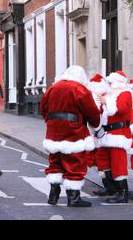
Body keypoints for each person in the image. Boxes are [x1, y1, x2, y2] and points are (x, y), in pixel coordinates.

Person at [40, 66, 101, 208]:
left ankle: (53, 194)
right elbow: (91, 111)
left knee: (55, 161)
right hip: (74, 131)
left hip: (54, 130)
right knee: (75, 162)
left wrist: (51, 122)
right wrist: (96, 126)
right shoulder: (79, 89)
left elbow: (43, 108)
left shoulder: (53, 88)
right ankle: (73, 198)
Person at [96, 71, 132, 203]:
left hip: (119, 134)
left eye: (111, 82)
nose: (109, 84)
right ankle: (110, 186)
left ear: (119, 82)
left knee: (118, 163)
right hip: (107, 133)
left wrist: (107, 101)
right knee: (101, 157)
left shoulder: (126, 93)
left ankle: (123, 192)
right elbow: (103, 112)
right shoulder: (110, 95)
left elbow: (121, 108)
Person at [86, 74, 116, 196]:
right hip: (95, 133)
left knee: (103, 159)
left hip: (103, 133)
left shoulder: (105, 98)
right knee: (98, 160)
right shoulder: (95, 98)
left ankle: (110, 186)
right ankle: (107, 185)